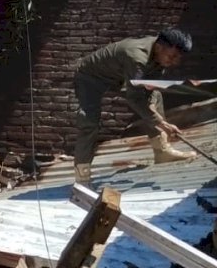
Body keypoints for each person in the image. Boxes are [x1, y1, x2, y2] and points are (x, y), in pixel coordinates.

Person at [73, 28, 196, 185]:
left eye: (177, 59)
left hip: (118, 75)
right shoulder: (137, 57)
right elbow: (135, 98)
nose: (173, 62)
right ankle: (82, 177)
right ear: (159, 47)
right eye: (172, 57)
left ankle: (162, 151)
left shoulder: (159, 54)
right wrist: (162, 123)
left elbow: (149, 90)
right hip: (90, 77)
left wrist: (156, 118)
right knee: (89, 121)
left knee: (155, 96)